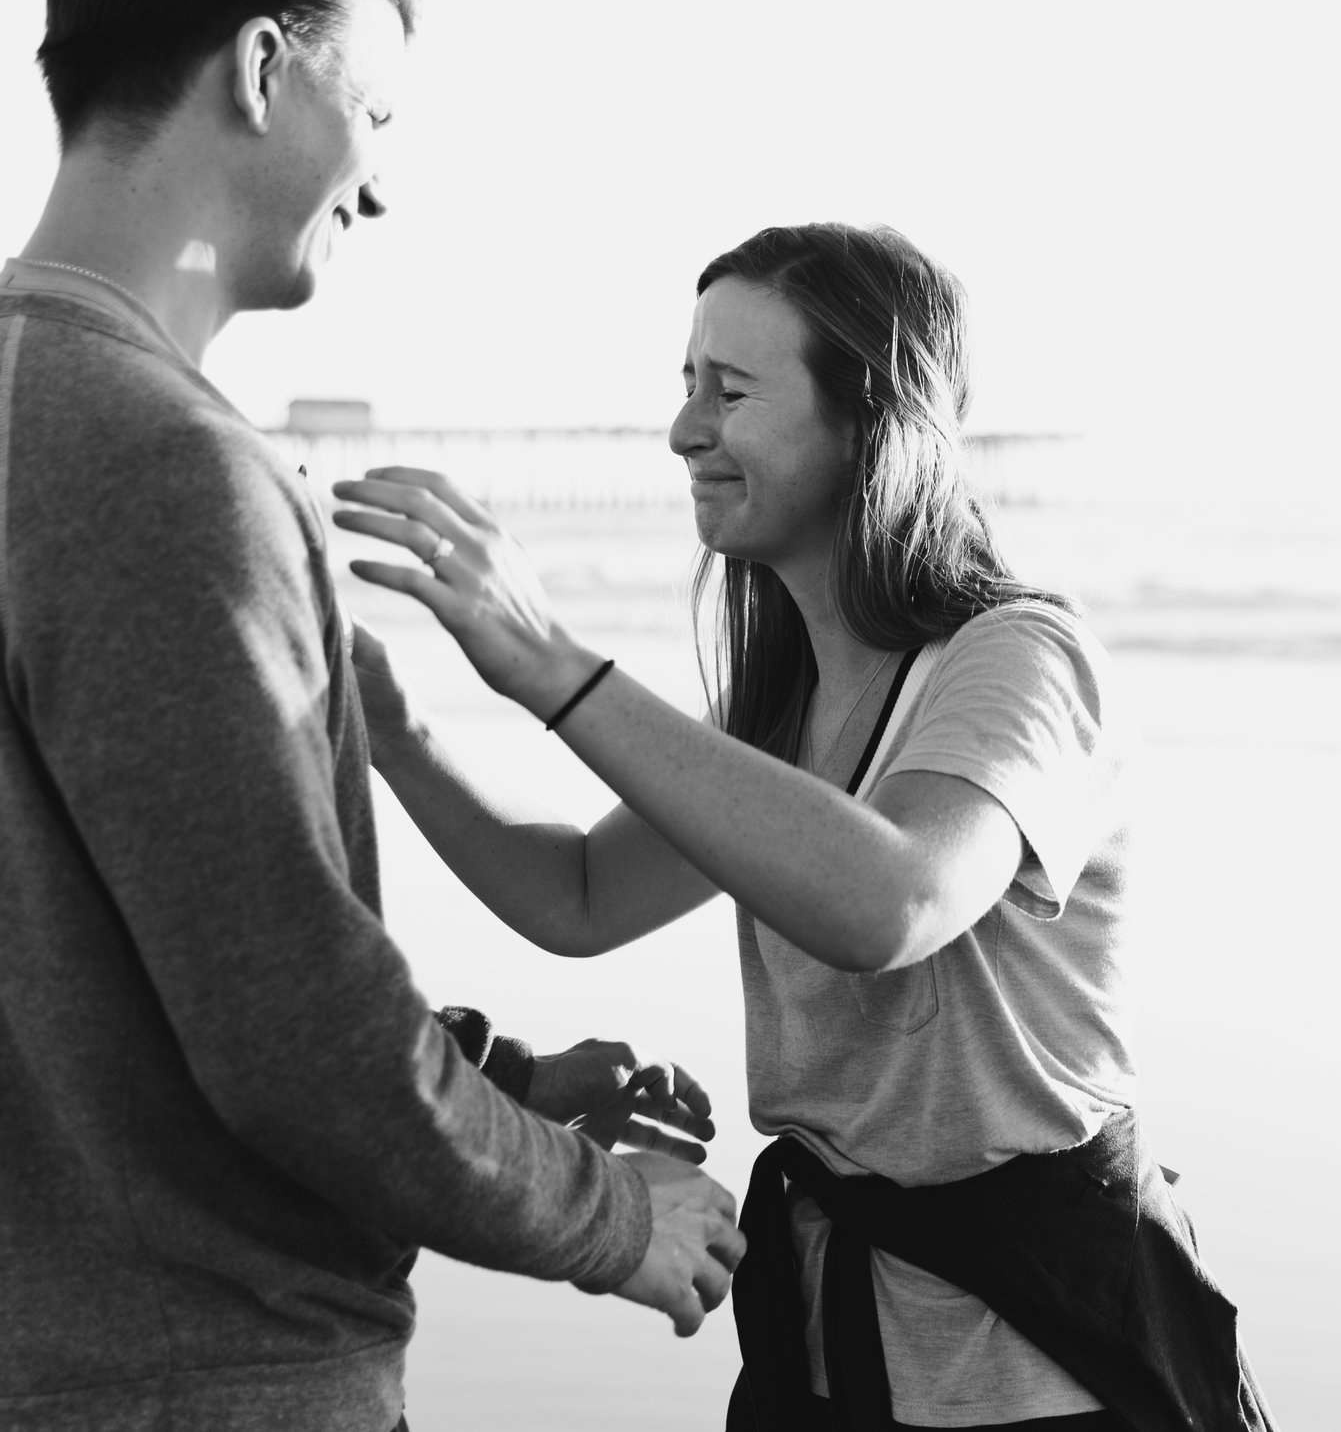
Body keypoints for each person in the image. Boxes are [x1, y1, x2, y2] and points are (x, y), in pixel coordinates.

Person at [0, 0, 741, 1432]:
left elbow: (123, 958)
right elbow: (291, 1029)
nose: (383, 181)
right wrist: (609, 1215)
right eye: (376, 113)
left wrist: (495, 1077)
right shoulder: (162, 459)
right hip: (197, 1381)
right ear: (263, 66)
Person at [334, 222, 1273, 1430]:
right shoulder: (780, 708)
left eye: (728, 391)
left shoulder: (1019, 661)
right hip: (827, 1346)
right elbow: (573, 894)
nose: (683, 431)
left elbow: (888, 903)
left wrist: (551, 663)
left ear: (865, 426)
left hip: (1041, 1360)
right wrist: (398, 731)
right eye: (684, 387)